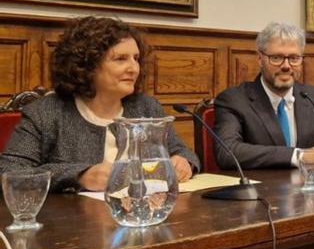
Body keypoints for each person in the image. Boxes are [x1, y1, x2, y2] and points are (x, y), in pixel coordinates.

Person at [0, 16, 200, 193]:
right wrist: (80, 176)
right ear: (87, 65)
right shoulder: (47, 112)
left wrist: (184, 162)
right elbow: (9, 171)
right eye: (121, 59)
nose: (134, 68)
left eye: (136, 59)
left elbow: (183, 151)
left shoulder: (146, 107)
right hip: (73, 226)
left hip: (142, 215)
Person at [213, 22, 314, 170]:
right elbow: (227, 151)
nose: (286, 66)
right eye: (276, 58)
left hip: (313, 191)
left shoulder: (312, 96)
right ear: (260, 59)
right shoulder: (234, 100)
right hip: (263, 191)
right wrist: (300, 156)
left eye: (294, 58)